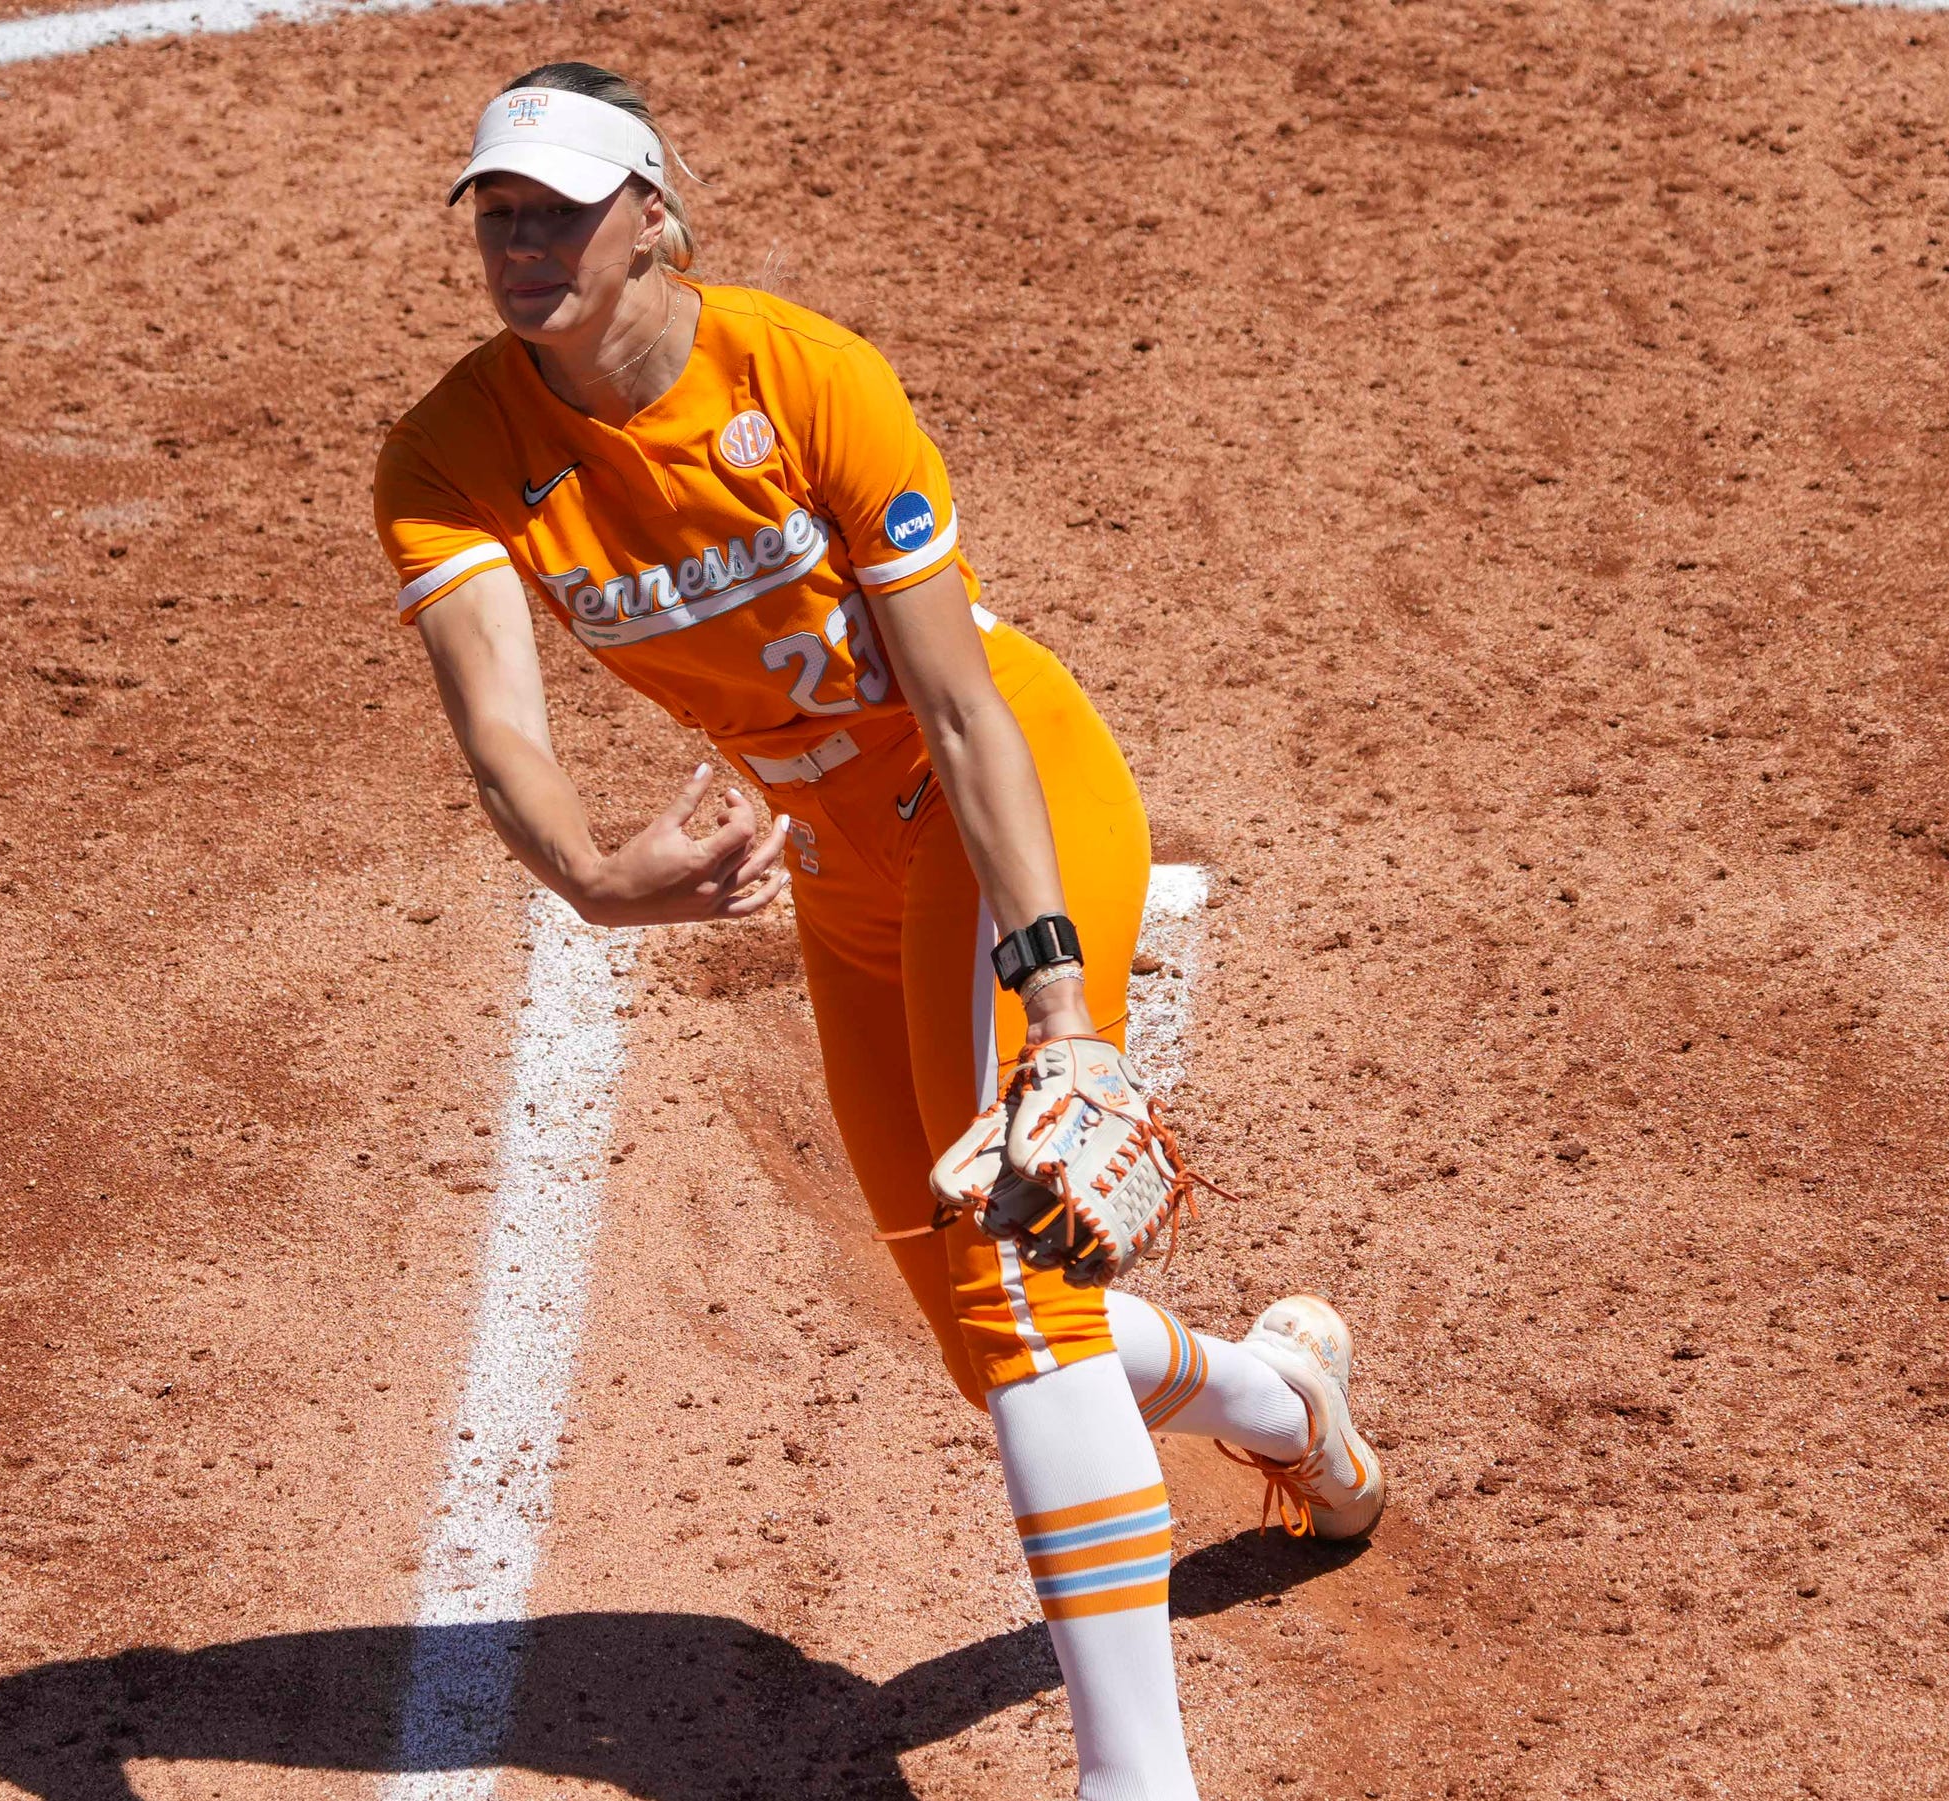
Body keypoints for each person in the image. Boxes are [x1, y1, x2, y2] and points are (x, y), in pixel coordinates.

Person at [371, 62, 1387, 1800]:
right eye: (498, 213)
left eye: (560, 208)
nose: (523, 240)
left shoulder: (806, 381)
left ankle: (1138, 1783)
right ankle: (1284, 1397)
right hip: (847, 878)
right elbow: (504, 736)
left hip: (1003, 802)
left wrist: (1060, 1004)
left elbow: (967, 707)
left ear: (657, 217)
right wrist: (593, 875)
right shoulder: (453, 454)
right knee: (978, 1318)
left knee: (1019, 1301)